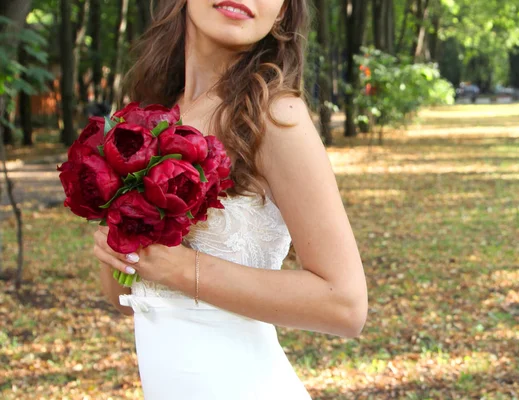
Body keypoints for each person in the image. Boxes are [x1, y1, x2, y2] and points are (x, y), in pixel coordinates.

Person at [92, 0, 368, 398]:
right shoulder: (146, 120)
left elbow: (345, 305)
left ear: (284, 12)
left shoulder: (275, 118)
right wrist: (117, 252)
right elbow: (126, 300)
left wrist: (181, 268)